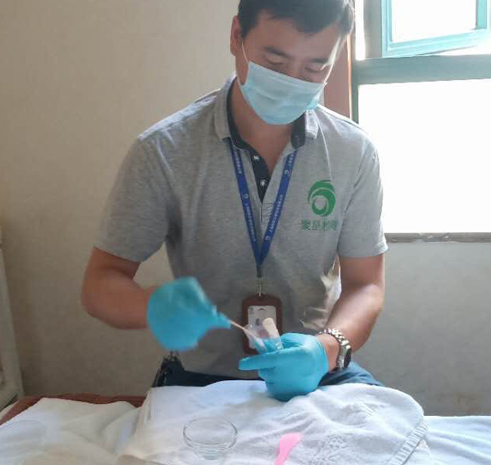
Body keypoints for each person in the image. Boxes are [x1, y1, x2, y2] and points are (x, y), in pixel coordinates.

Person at [82, 0, 387, 401]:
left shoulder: (353, 152)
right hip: (202, 377)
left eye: (315, 68)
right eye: (275, 62)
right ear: (236, 36)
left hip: (316, 372)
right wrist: (149, 307)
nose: (292, 81)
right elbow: (100, 284)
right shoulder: (163, 152)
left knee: (387, 430)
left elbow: (366, 285)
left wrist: (326, 349)